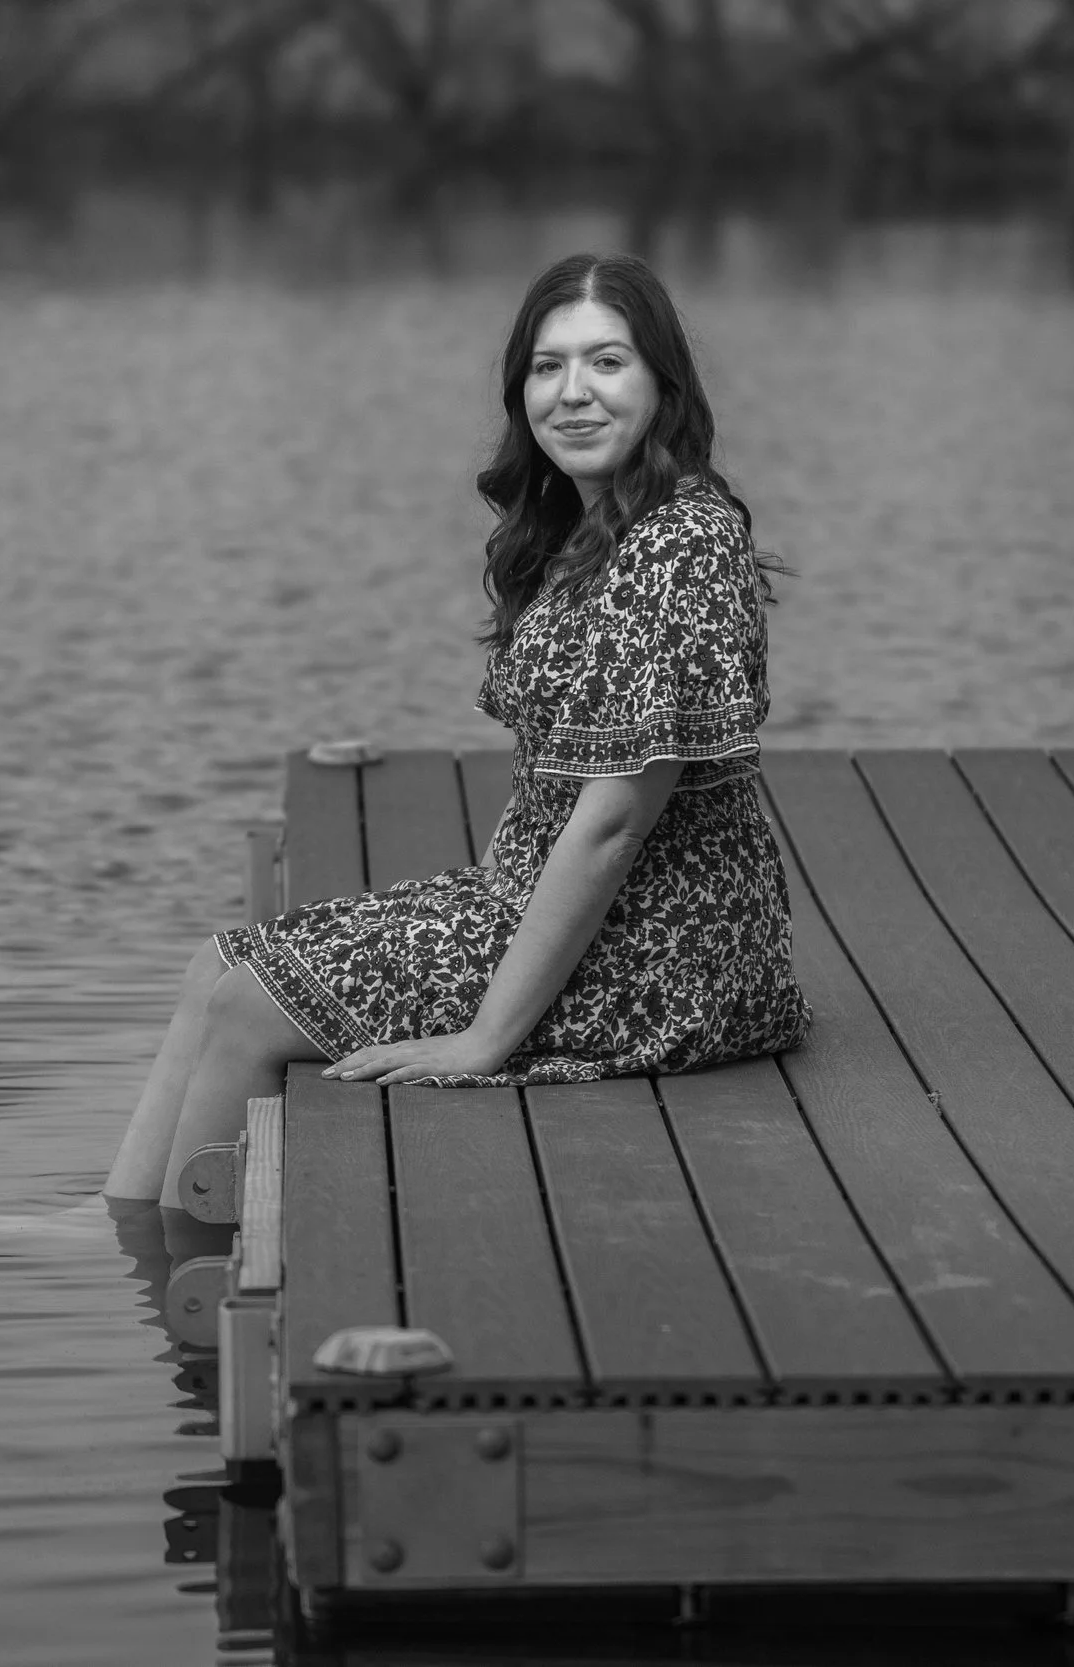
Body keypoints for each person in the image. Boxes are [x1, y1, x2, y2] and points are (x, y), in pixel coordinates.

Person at [105, 251, 811, 1209]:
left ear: (663, 384)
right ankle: (121, 1217)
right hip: (550, 910)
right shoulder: (593, 527)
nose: (573, 393)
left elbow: (612, 825)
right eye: (547, 367)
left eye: (607, 363)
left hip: (668, 953)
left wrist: (484, 1039)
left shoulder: (680, 542)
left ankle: (174, 1281)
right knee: (219, 963)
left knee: (246, 1007)